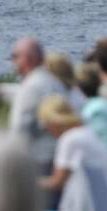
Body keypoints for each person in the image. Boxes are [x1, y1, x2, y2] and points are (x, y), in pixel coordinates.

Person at [8, 37, 71, 172]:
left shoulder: (30, 88)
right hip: (59, 156)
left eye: (15, 56)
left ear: (28, 59)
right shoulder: (55, 82)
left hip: (37, 160)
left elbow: (20, 130)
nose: (13, 61)